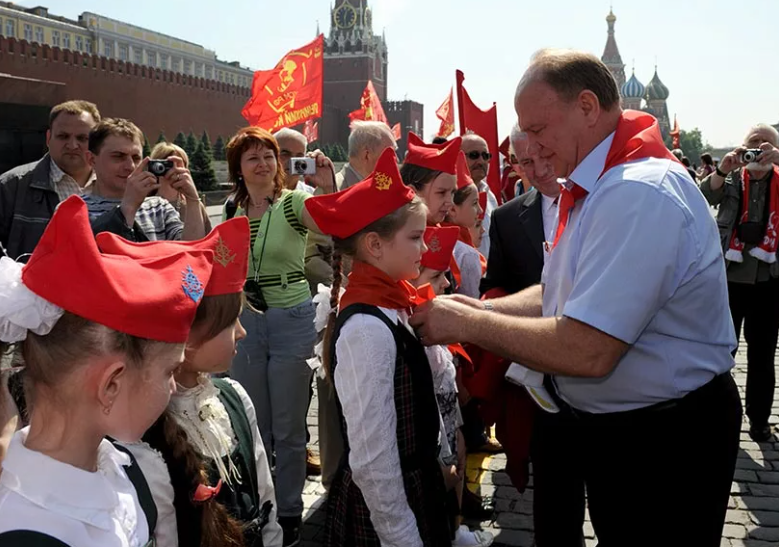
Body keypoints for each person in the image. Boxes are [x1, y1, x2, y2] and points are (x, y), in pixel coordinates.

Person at [411, 49, 742, 547]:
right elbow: (562, 291)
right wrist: (479, 308)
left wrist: (466, 325)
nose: (529, 145)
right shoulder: (604, 182)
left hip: (664, 440)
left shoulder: (637, 192)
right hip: (629, 429)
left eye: (539, 129)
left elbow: (587, 346)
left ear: (587, 107)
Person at [0, 196, 215, 546]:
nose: (174, 387)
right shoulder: (29, 531)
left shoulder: (122, 470)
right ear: (111, 384)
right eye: (169, 372)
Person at [96, 218, 283, 547]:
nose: (242, 332)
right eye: (231, 322)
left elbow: (265, 497)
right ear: (187, 337)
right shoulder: (138, 444)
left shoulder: (234, 398)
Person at [304, 147, 452, 547]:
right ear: (374, 245)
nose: (424, 249)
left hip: (414, 485)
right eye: (416, 237)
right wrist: (400, 535)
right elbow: (372, 457)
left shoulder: (393, 304)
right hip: (386, 508)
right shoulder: (367, 329)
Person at [225, 126, 335, 547]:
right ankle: (259, 506)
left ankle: (288, 510)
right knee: (255, 423)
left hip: (292, 318)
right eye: (253, 156)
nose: (264, 163)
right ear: (239, 166)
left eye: (269, 155)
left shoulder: (294, 202)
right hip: (245, 320)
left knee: (289, 428)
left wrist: (326, 187)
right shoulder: (233, 209)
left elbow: (327, 220)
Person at [410, 226, 494, 547]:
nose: (447, 283)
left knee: (447, 512)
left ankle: (455, 530)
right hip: (430, 461)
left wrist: (457, 440)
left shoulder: (434, 326)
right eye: (437, 276)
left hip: (448, 444)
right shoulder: (408, 339)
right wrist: (439, 464)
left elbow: (447, 400)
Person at [699, 123, 779, 442]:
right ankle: (717, 414)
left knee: (762, 353)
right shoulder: (734, 175)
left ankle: (759, 420)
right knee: (720, 349)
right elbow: (706, 192)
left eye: (766, 144)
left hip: (769, 279)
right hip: (729, 278)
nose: (758, 149)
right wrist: (723, 167)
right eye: (753, 143)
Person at [0, 100, 100, 260]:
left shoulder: (114, 187)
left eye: (82, 138)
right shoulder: (11, 186)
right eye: (63, 136)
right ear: (48, 138)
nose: (73, 145)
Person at [82, 118, 206, 242]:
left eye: (136, 158)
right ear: (92, 160)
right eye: (118, 156)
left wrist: (192, 200)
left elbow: (190, 249)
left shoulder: (158, 207)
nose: (130, 166)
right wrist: (128, 207)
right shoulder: (76, 210)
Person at [481, 126, 561, 296]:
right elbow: (494, 288)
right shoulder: (505, 219)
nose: (540, 170)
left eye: (545, 156)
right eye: (527, 162)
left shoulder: (599, 202)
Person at [444, 151, 485, 299]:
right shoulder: (466, 254)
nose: (480, 210)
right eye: (474, 203)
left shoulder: (433, 240)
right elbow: (473, 306)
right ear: (453, 209)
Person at [149, 141, 213, 234]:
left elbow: (208, 238)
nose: (174, 169)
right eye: (168, 164)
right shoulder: (145, 204)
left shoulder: (193, 204)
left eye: (179, 163)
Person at [401, 132, 460, 226]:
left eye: (453, 192)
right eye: (441, 192)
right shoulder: (395, 238)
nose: (450, 202)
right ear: (413, 193)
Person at [461, 133, 497, 258]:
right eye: (474, 155)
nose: (481, 161)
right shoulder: (451, 198)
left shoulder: (490, 196)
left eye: (485, 156)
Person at [275, 128, 316, 194]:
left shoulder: (312, 194)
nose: (292, 160)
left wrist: (328, 187)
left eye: (299, 156)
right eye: (285, 154)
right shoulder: (256, 195)